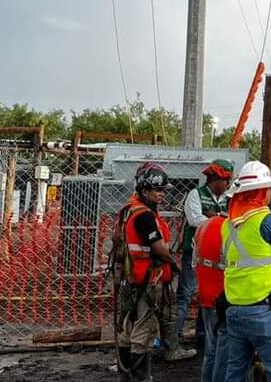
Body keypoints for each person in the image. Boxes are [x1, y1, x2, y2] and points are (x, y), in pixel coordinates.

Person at [116, 163, 196, 382]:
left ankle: (126, 375)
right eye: (158, 190)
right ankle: (140, 376)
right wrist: (173, 263)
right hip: (148, 279)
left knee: (128, 326)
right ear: (144, 190)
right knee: (144, 328)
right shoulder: (144, 216)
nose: (162, 194)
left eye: (163, 190)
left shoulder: (129, 210)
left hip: (133, 278)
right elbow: (158, 248)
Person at [220, 161, 271, 382]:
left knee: (236, 371)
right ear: (263, 192)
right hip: (265, 308)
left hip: (234, 309)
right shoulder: (269, 222)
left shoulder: (228, 225)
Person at [178, 159, 232, 347]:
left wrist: (212, 216)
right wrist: (220, 219)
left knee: (211, 295)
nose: (228, 184)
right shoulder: (195, 194)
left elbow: (232, 221)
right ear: (214, 179)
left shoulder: (229, 198)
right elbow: (195, 219)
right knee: (186, 292)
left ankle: (202, 336)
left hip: (218, 256)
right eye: (226, 180)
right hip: (195, 254)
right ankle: (176, 338)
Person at [193, 207, 228, 382]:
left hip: (206, 294)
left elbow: (195, 262)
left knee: (211, 348)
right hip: (222, 297)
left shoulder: (205, 225)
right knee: (223, 351)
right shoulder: (231, 229)